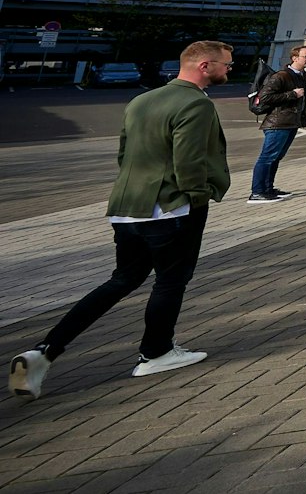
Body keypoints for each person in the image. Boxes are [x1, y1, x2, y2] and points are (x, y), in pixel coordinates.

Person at [10, 41, 234, 400]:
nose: (230, 70)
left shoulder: (141, 100)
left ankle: (45, 350)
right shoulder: (195, 103)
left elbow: (123, 152)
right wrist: (198, 195)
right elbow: (188, 160)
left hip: (127, 207)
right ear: (205, 66)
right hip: (171, 208)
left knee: (122, 280)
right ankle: (156, 353)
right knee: (171, 280)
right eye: (226, 64)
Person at [249, 44, 306, 202]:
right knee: (267, 157)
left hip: (290, 122)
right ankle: (257, 192)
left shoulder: (302, 75)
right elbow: (264, 98)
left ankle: (268, 189)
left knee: (276, 157)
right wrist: (292, 94)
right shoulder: (281, 76)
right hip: (278, 123)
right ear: (295, 58)